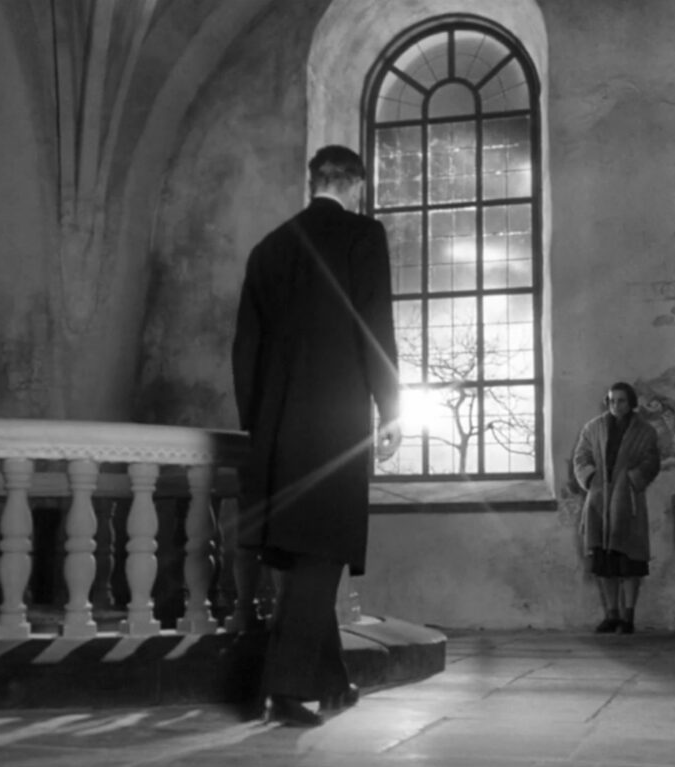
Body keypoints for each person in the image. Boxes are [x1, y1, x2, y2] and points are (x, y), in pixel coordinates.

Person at [232, 145, 402, 726]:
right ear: (355, 184)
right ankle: (283, 690)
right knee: (322, 549)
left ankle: (332, 681)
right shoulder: (363, 236)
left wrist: (258, 425)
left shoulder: (269, 248)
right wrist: (392, 405)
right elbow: (375, 321)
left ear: (312, 183)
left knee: (303, 549)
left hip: (276, 428)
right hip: (334, 421)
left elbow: (245, 349)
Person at [571, 381, 661, 634]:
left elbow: (652, 460)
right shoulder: (593, 428)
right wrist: (591, 478)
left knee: (629, 560)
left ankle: (628, 617)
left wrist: (632, 480)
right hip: (599, 500)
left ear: (631, 403)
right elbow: (581, 457)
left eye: (621, 401)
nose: (616, 405)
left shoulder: (645, 431)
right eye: (611, 400)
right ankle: (611, 615)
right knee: (604, 562)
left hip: (627, 501)